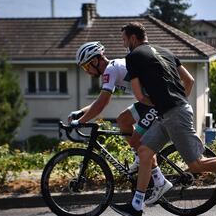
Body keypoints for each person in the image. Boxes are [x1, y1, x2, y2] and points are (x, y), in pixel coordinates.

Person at [111, 22, 216, 216]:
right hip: (172, 112)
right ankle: (136, 206)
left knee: (197, 164)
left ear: (133, 39)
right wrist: (175, 103)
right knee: (144, 151)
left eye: (124, 40)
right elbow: (190, 80)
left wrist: (167, 106)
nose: (124, 44)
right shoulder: (166, 51)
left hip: (173, 113)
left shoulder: (133, 57)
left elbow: (140, 96)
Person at [69, 41, 194, 202]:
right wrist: (80, 113)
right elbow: (99, 101)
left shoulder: (110, 70)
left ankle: (159, 180)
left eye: (87, 67)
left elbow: (102, 104)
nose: (87, 72)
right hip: (148, 101)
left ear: (95, 60)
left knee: (137, 142)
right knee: (123, 120)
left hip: (155, 103)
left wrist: (80, 121)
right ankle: (143, 161)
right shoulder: (113, 67)